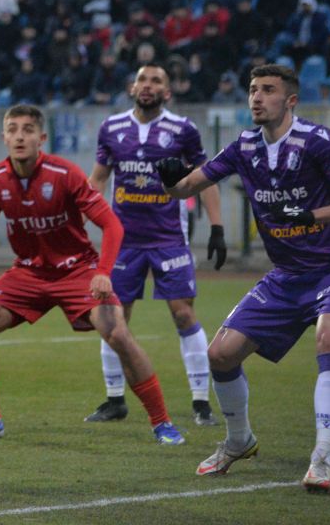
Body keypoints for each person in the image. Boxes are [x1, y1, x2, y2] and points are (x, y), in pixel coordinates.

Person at [158, 64, 330, 491]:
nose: (256, 97)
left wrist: (312, 215)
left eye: (267, 90)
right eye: (252, 89)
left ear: (290, 101)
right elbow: (189, 185)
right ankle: (238, 441)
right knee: (220, 355)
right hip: (285, 276)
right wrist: (170, 181)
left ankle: (322, 456)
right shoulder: (243, 145)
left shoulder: (316, 140)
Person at [0, 105, 185, 445]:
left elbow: (112, 225)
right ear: (3, 137)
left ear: (41, 138)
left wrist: (103, 272)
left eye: (28, 129)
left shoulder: (65, 173)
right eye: (12, 129)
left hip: (78, 270)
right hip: (28, 272)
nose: (19, 136)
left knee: (117, 331)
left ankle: (162, 423)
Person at [84, 65, 226, 427]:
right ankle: (115, 399)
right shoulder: (112, 128)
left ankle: (200, 402)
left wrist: (217, 228)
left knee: (183, 313)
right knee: (113, 318)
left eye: (156, 81)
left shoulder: (183, 130)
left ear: (167, 91)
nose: (147, 86)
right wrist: (78, 223)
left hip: (168, 238)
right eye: (143, 79)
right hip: (123, 240)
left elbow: (207, 178)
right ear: (133, 86)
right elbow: (98, 180)